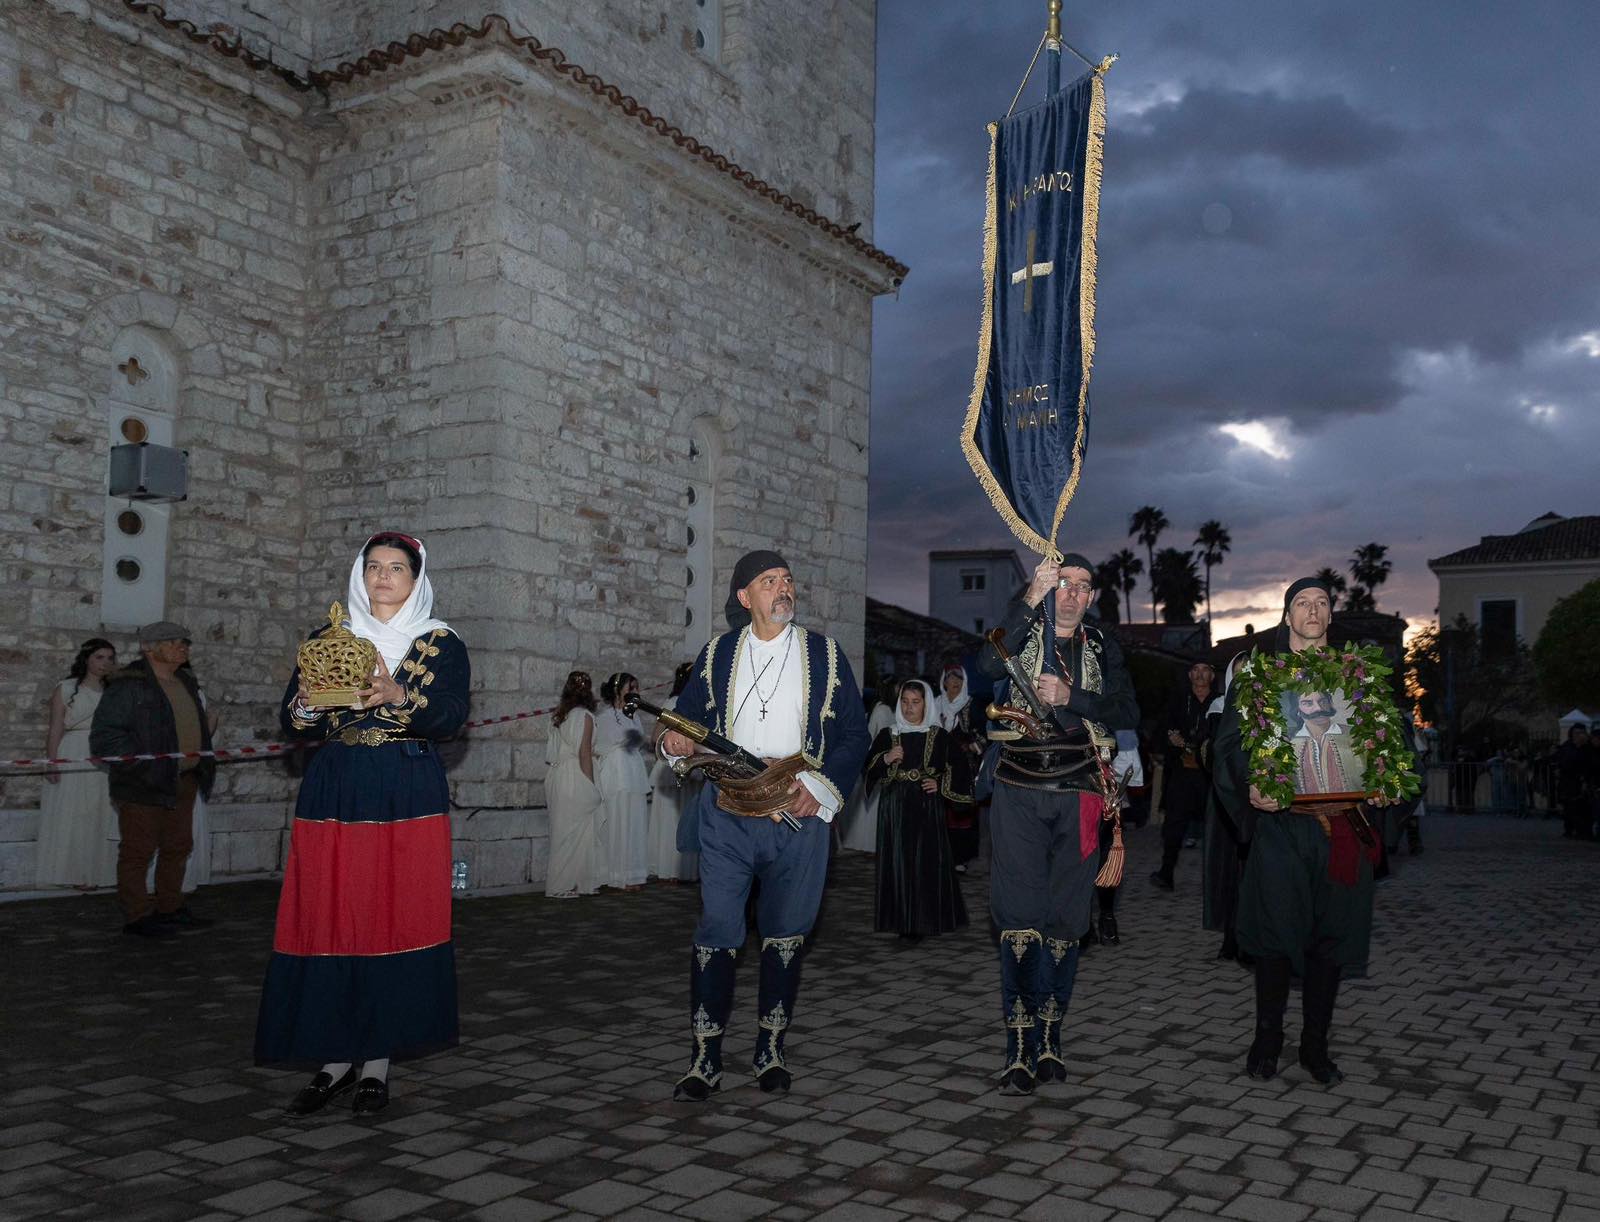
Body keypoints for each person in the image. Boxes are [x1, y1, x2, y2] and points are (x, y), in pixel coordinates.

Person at [255, 531, 470, 1117]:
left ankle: (376, 1061)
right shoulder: (329, 636)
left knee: (391, 915)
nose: (383, 576)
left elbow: (451, 716)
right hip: (337, 786)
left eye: (396, 568)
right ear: (360, 573)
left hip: (405, 788)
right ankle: (334, 1059)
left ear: (415, 580)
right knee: (331, 914)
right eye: (374, 566)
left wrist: (400, 695)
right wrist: (306, 704)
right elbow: (293, 721)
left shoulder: (440, 642)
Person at [661, 550, 870, 1100]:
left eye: (787, 580)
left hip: (798, 812)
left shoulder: (825, 654)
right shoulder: (717, 654)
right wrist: (674, 741)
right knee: (717, 928)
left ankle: (770, 1049)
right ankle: (704, 1058)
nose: (783, 588)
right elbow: (683, 724)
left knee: (786, 931)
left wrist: (820, 789)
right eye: (769, 581)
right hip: (728, 811)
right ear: (744, 596)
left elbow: (854, 736)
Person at [1214, 577, 1405, 1087]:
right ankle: (1267, 1039)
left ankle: (1315, 1046)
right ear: (1288, 615)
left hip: (1343, 831)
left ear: (1331, 615)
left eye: (1322, 602)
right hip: (1283, 828)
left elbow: (1392, 739)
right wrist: (1251, 781)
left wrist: (1387, 780)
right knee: (1275, 936)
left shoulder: (1358, 677)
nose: (1313, 610)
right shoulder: (1260, 677)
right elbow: (1228, 745)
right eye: (1303, 603)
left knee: (1331, 939)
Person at [976, 552, 1138, 1094]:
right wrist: (1028, 598)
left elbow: (1128, 710)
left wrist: (1073, 698)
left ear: (1091, 597)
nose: (1071, 593)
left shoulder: (1102, 644)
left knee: (1066, 920)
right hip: (1019, 789)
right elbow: (986, 668)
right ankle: (1018, 1043)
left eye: (1082, 586)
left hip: (1081, 792)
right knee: (1019, 918)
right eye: (1063, 582)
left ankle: (1050, 1034)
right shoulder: (1022, 626)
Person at [90, 622, 217, 938]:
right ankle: (137, 916)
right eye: (172, 642)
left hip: (184, 779)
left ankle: (169, 907)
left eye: (183, 641)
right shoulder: (128, 684)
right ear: (149, 648)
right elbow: (106, 737)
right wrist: (141, 766)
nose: (182, 646)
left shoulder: (185, 681)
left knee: (178, 846)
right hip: (143, 783)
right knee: (138, 851)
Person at [865, 679, 969, 941]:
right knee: (898, 862)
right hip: (894, 806)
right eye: (904, 701)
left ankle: (926, 918)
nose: (909, 707)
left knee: (925, 862)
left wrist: (940, 784)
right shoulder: (888, 734)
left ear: (926, 704)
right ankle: (903, 922)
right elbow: (867, 767)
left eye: (915, 702)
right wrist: (886, 758)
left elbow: (960, 766)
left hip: (926, 806)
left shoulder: (938, 736)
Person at [36, 639, 119, 890]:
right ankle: (75, 873)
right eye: (99, 657)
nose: (105, 663)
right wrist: (52, 762)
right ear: (86, 659)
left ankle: (98, 873)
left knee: (100, 812)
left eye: (109, 658)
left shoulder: (114, 690)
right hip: (73, 751)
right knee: (75, 813)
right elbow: (55, 728)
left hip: (104, 753)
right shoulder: (67, 688)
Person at [1150, 662, 1216, 891]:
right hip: (1182, 772)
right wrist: (1172, 737)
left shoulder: (1220, 702)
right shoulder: (1178, 700)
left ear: (1212, 675)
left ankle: (1218, 880)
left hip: (1210, 775)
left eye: (1205, 670)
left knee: (1216, 826)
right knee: (1174, 825)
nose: (1200, 674)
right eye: (1195, 670)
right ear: (1189, 675)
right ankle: (1166, 873)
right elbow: (1164, 727)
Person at [544, 671, 602, 898]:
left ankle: (579, 882)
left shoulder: (559, 716)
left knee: (569, 831)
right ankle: (558, 886)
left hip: (557, 775)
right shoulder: (585, 716)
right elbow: (583, 753)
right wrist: (591, 784)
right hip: (575, 775)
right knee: (572, 833)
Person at [595, 672, 652, 890]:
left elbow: (636, 743)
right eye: (631, 688)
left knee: (634, 823)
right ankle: (616, 875)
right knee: (618, 822)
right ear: (618, 690)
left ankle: (632, 874)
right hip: (616, 774)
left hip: (633, 771)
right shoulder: (605, 716)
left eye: (637, 688)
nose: (635, 692)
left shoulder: (634, 717)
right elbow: (601, 746)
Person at [648, 662, 701, 883]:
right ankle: (669, 870)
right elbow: (656, 737)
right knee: (671, 819)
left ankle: (681, 870)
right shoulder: (673, 703)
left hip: (690, 766)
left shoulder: (695, 703)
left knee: (682, 818)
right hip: (674, 766)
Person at [838, 677, 899, 853]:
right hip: (879, 758)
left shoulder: (890, 709)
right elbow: (871, 735)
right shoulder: (881, 709)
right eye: (897, 688)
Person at [934, 664, 984, 870]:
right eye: (950, 678)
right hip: (939, 766)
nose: (954, 682)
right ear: (943, 681)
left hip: (963, 769)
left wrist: (972, 745)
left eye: (958, 679)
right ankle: (939, 855)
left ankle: (960, 858)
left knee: (961, 812)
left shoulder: (971, 705)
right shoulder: (935, 704)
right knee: (939, 811)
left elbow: (983, 734)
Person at [1553, 725, 1595, 841]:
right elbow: (1562, 761)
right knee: (1569, 807)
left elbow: (1590, 763)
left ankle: (1584, 831)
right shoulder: (1567, 746)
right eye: (1576, 733)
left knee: (1583, 808)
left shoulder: (1588, 747)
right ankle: (1569, 829)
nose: (1579, 735)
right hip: (1568, 781)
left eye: (1581, 732)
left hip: (1583, 781)